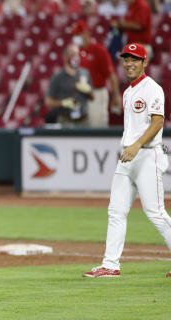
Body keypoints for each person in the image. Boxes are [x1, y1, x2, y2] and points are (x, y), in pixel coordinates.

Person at [83, 43, 171, 278]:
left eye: (134, 59)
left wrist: (136, 145)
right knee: (116, 211)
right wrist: (131, 147)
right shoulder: (128, 91)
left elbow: (157, 122)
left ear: (144, 62)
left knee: (156, 212)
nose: (129, 63)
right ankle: (110, 264)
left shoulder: (152, 88)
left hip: (147, 155)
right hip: (128, 156)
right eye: (126, 59)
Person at [72, 20, 122, 127]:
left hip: (96, 93)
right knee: (81, 127)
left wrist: (116, 94)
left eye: (78, 34)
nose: (77, 37)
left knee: (96, 125)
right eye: (75, 34)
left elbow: (111, 74)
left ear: (86, 33)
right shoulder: (76, 52)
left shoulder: (99, 50)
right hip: (81, 94)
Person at [45, 44, 94, 126]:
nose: (76, 57)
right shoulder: (57, 77)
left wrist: (88, 91)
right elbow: (48, 102)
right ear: (65, 57)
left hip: (83, 120)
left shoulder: (85, 73)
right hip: (65, 120)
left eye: (77, 54)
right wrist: (63, 103)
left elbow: (92, 97)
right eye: (72, 54)